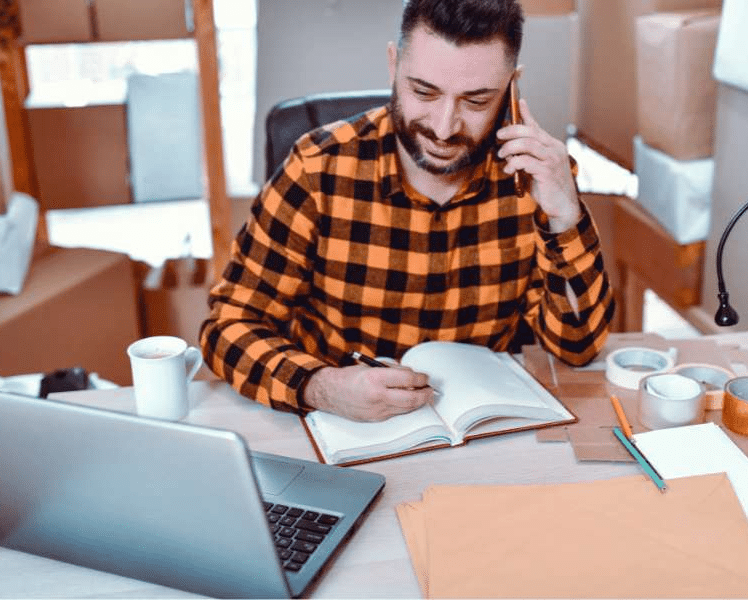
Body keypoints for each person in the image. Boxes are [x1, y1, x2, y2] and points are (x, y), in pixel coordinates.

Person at [201, 0, 615, 422]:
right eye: (424, 92)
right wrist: (320, 386)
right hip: (344, 428)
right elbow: (226, 328)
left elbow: (577, 347)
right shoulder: (318, 168)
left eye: (475, 101)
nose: (443, 127)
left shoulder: (534, 178)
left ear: (511, 87)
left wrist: (566, 218)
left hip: (484, 431)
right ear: (393, 64)